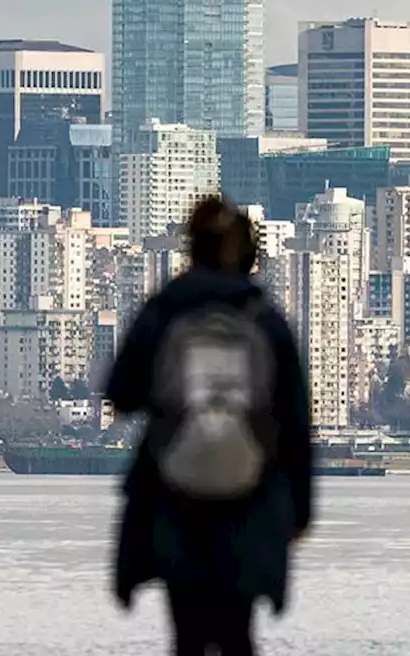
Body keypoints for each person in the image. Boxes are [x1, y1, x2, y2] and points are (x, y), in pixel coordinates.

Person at [106, 196, 313, 656]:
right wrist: (299, 512)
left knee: (188, 636)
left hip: (175, 497)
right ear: (248, 253)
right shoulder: (266, 320)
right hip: (252, 498)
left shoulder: (165, 311)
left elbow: (120, 392)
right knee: (239, 634)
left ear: (191, 249)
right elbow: (297, 425)